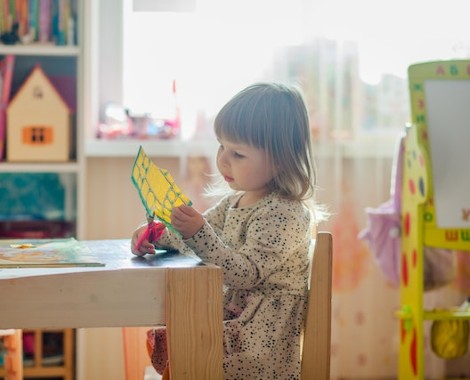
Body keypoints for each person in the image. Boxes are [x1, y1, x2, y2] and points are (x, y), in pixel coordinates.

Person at [131, 82, 323, 380]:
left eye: (238, 154)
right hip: (234, 324)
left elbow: (244, 273)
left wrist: (197, 232)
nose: (222, 159)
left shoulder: (285, 213)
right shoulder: (234, 201)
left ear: (281, 158)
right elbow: (195, 239)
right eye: (221, 145)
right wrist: (158, 235)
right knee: (178, 334)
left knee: (187, 343)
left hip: (257, 344)